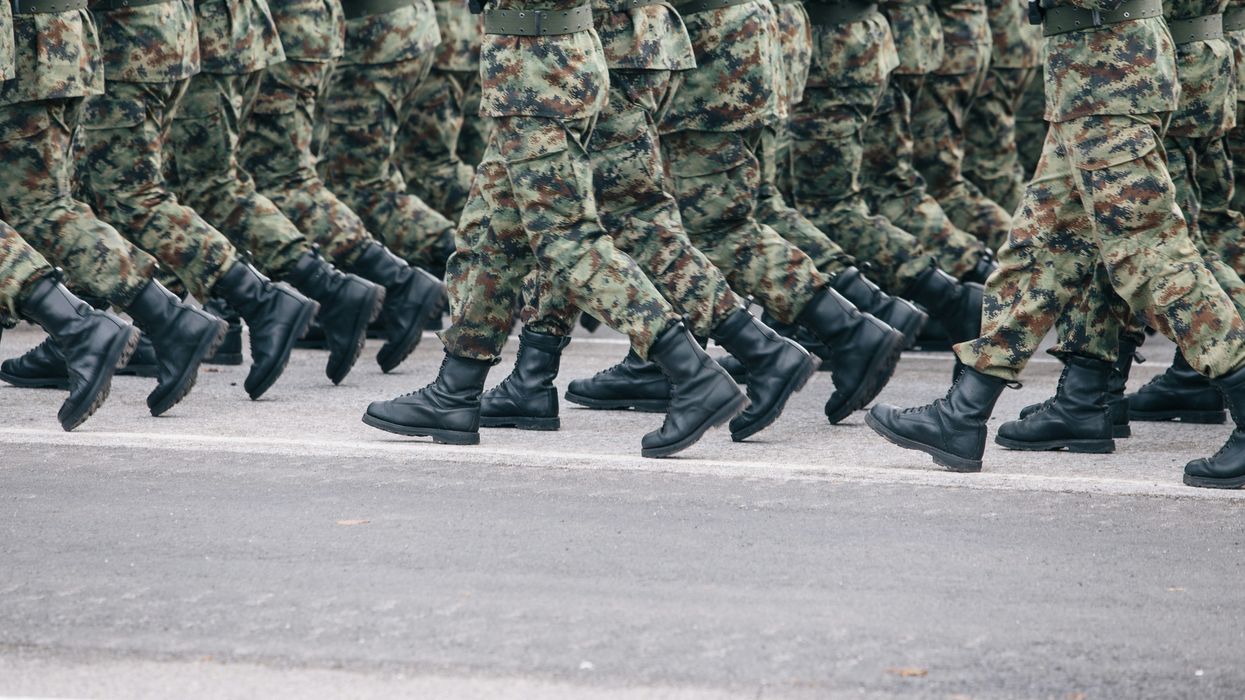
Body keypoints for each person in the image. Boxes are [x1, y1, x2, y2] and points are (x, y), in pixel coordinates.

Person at [865, 0, 1245, 491]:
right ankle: (962, 414)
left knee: (1146, 253)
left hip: (1112, 66)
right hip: (1089, 70)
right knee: (1038, 247)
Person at [362, 0, 749, 459]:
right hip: (535, 62)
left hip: (541, 65)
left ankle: (692, 373)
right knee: (491, 232)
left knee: (566, 239)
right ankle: (456, 390)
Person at [476, 0, 817, 442]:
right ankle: (532, 376)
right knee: (594, 218)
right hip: (623, 37)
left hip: (603, 37)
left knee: (603, 221)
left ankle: (759, 350)